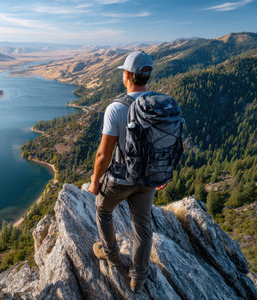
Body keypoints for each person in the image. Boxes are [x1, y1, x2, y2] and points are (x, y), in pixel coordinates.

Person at [88, 51, 167, 292]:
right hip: (148, 179)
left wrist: (95, 182)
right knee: (143, 228)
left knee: (102, 208)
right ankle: (139, 278)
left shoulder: (116, 108)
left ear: (127, 75)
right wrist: (160, 173)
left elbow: (103, 154)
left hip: (121, 179)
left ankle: (110, 253)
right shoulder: (162, 105)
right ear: (147, 76)